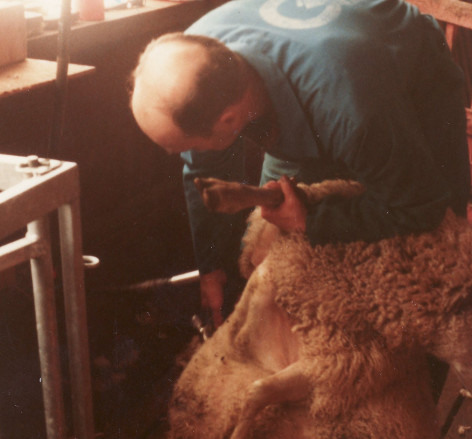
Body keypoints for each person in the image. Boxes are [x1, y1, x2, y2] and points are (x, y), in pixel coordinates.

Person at [131, 0, 470, 328]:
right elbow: (204, 170)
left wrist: (312, 220)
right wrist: (211, 266)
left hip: (409, 69)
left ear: (229, 120)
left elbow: (420, 206)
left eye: (184, 147)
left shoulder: (351, 113)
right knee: (267, 242)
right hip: (323, 71)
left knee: (438, 244)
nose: (181, 154)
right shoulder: (196, 62)